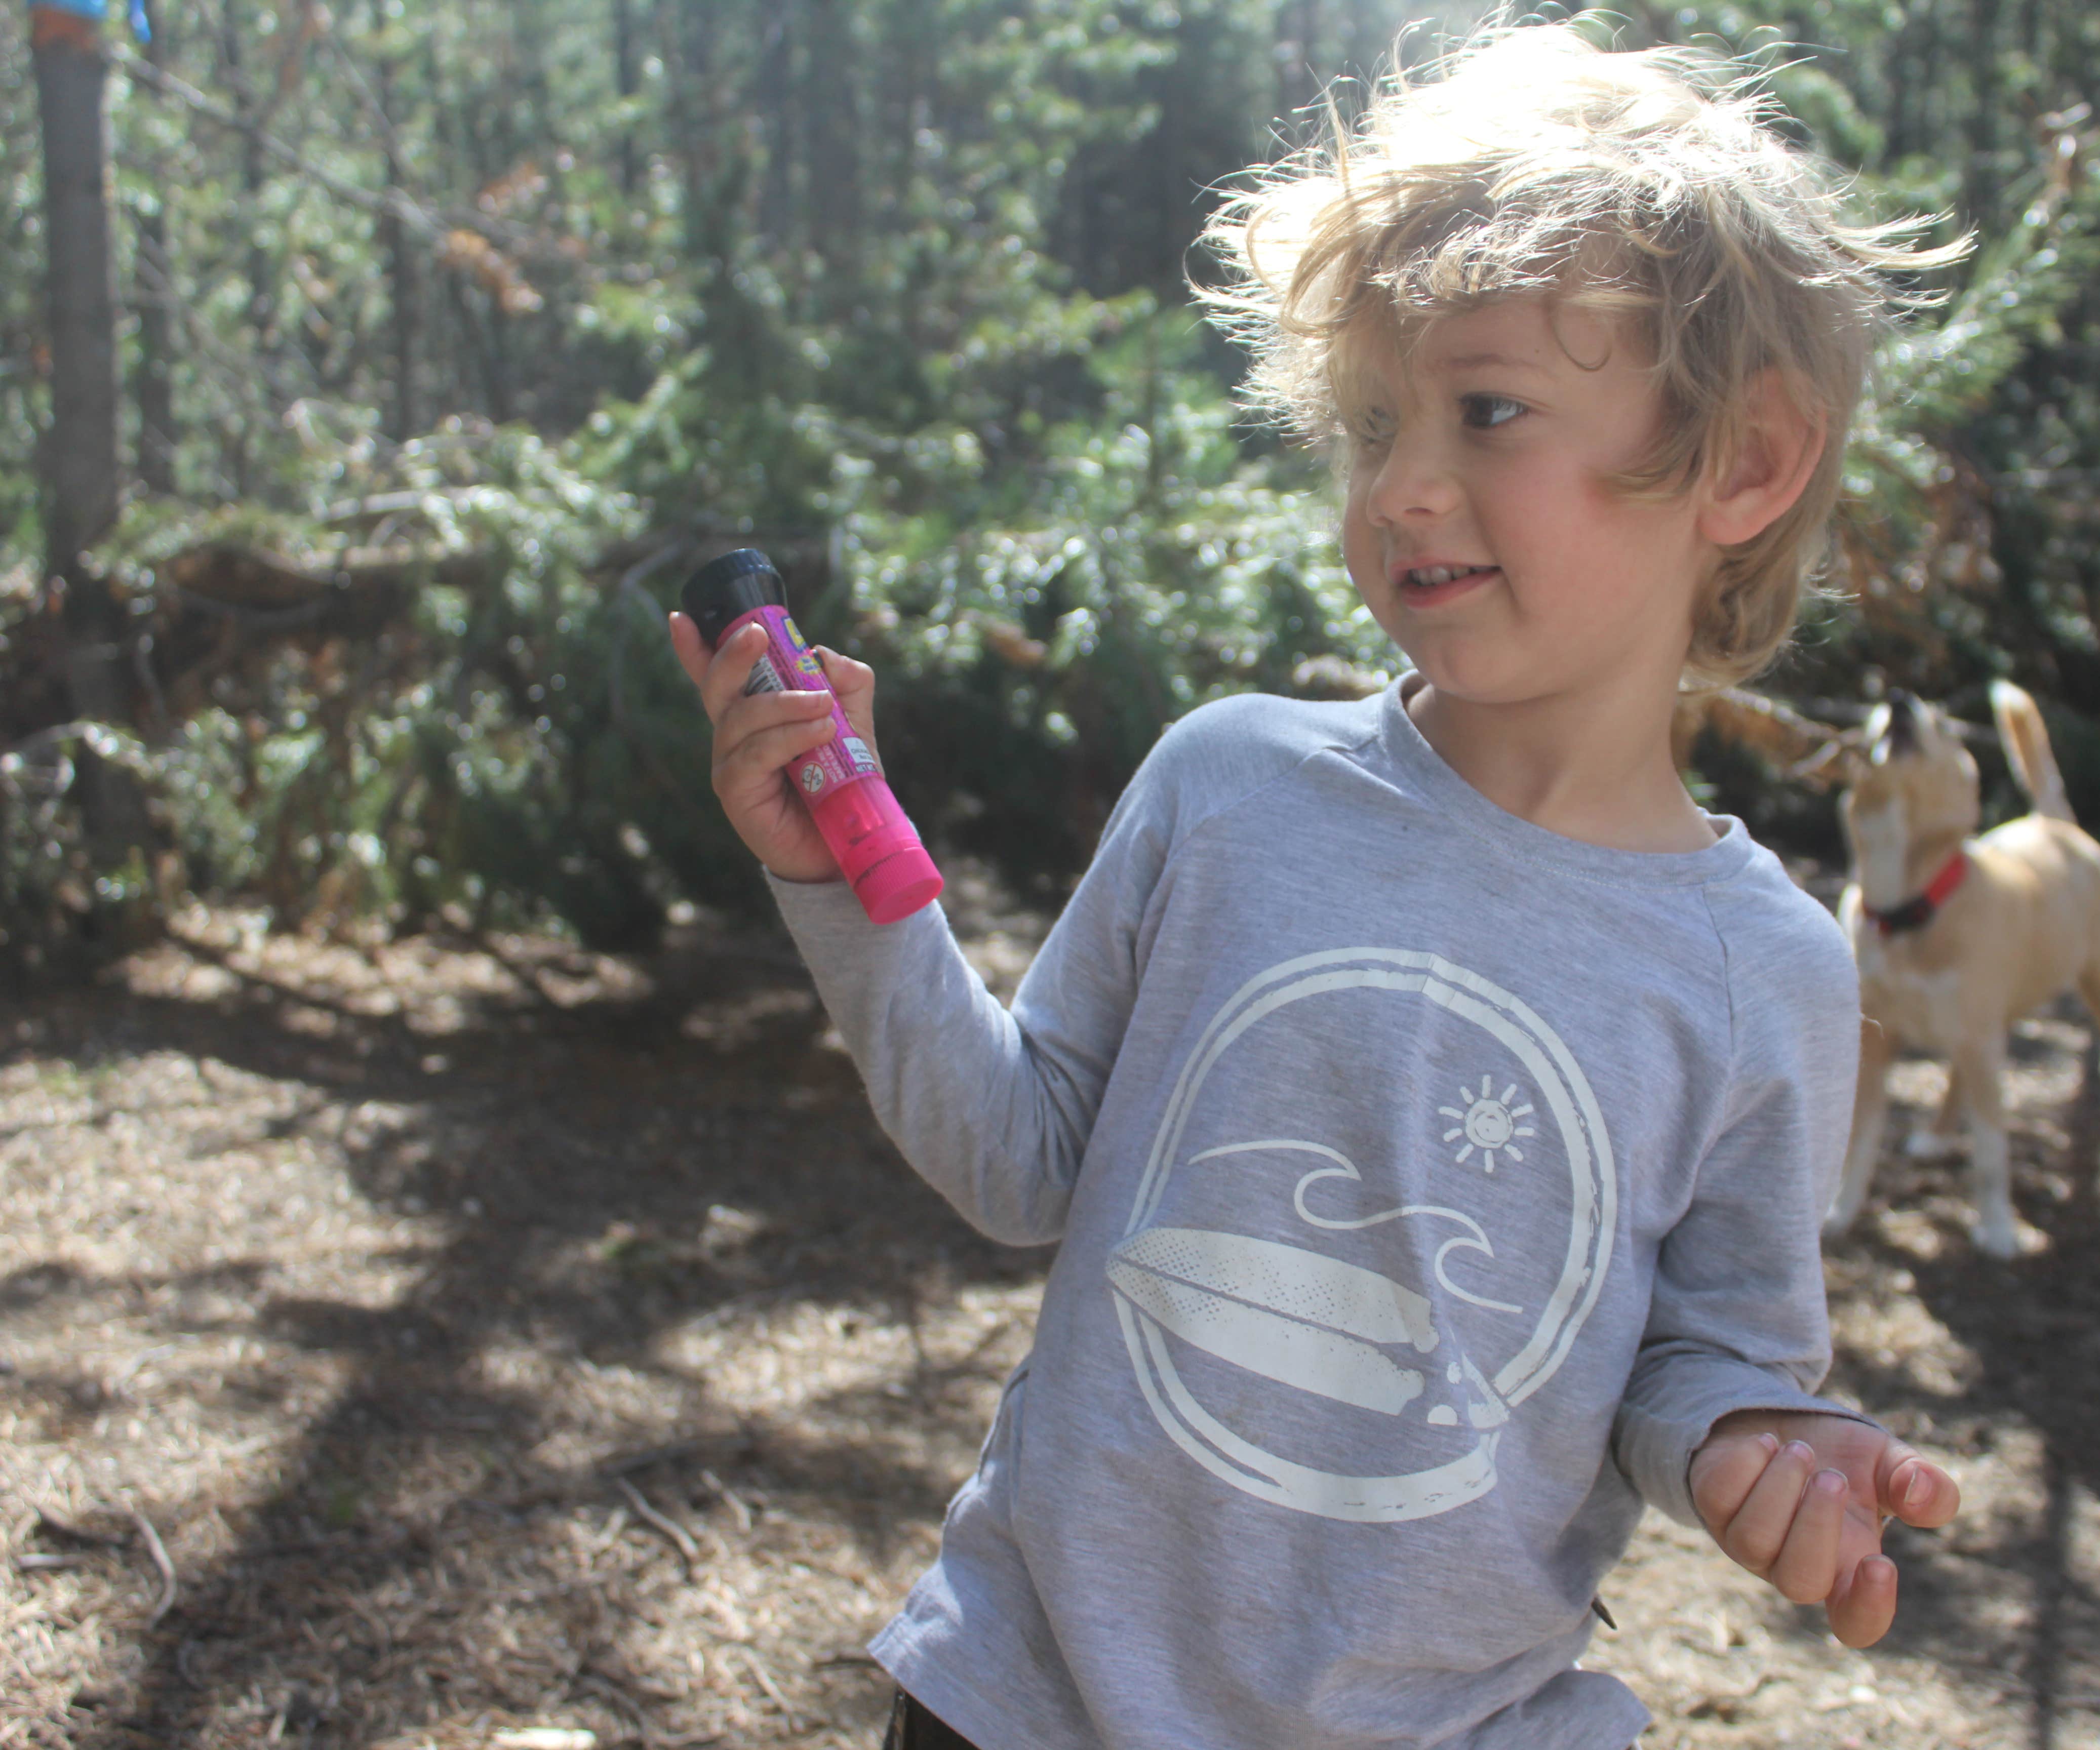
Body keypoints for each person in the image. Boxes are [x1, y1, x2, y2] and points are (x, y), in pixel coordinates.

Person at [671, 21, 1963, 1750]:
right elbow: (1018, 1159)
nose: (1400, 487)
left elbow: (1708, 1359)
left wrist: (1753, 1447)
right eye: (1370, 422)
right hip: (1027, 1702)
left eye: (1488, 408)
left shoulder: (1763, 972)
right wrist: (833, 881)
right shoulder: (1233, 786)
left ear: (1742, 460)